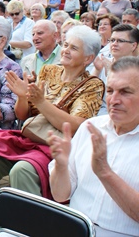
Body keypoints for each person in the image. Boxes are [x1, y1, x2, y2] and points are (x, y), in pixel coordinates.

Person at [0, 25, 104, 237]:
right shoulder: (50, 71)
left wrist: (42, 102)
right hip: (30, 139)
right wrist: (22, 96)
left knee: (22, 170)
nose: (65, 50)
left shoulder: (93, 85)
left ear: (88, 58)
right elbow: (23, 115)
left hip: (57, 146)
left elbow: (75, 125)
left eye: (74, 48)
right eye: (65, 45)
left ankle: (22, 230)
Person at [48, 56, 139, 237]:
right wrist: (61, 165)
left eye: (125, 92)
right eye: (111, 90)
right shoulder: (91, 127)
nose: (114, 100)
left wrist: (105, 172)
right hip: (73, 226)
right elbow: (60, 195)